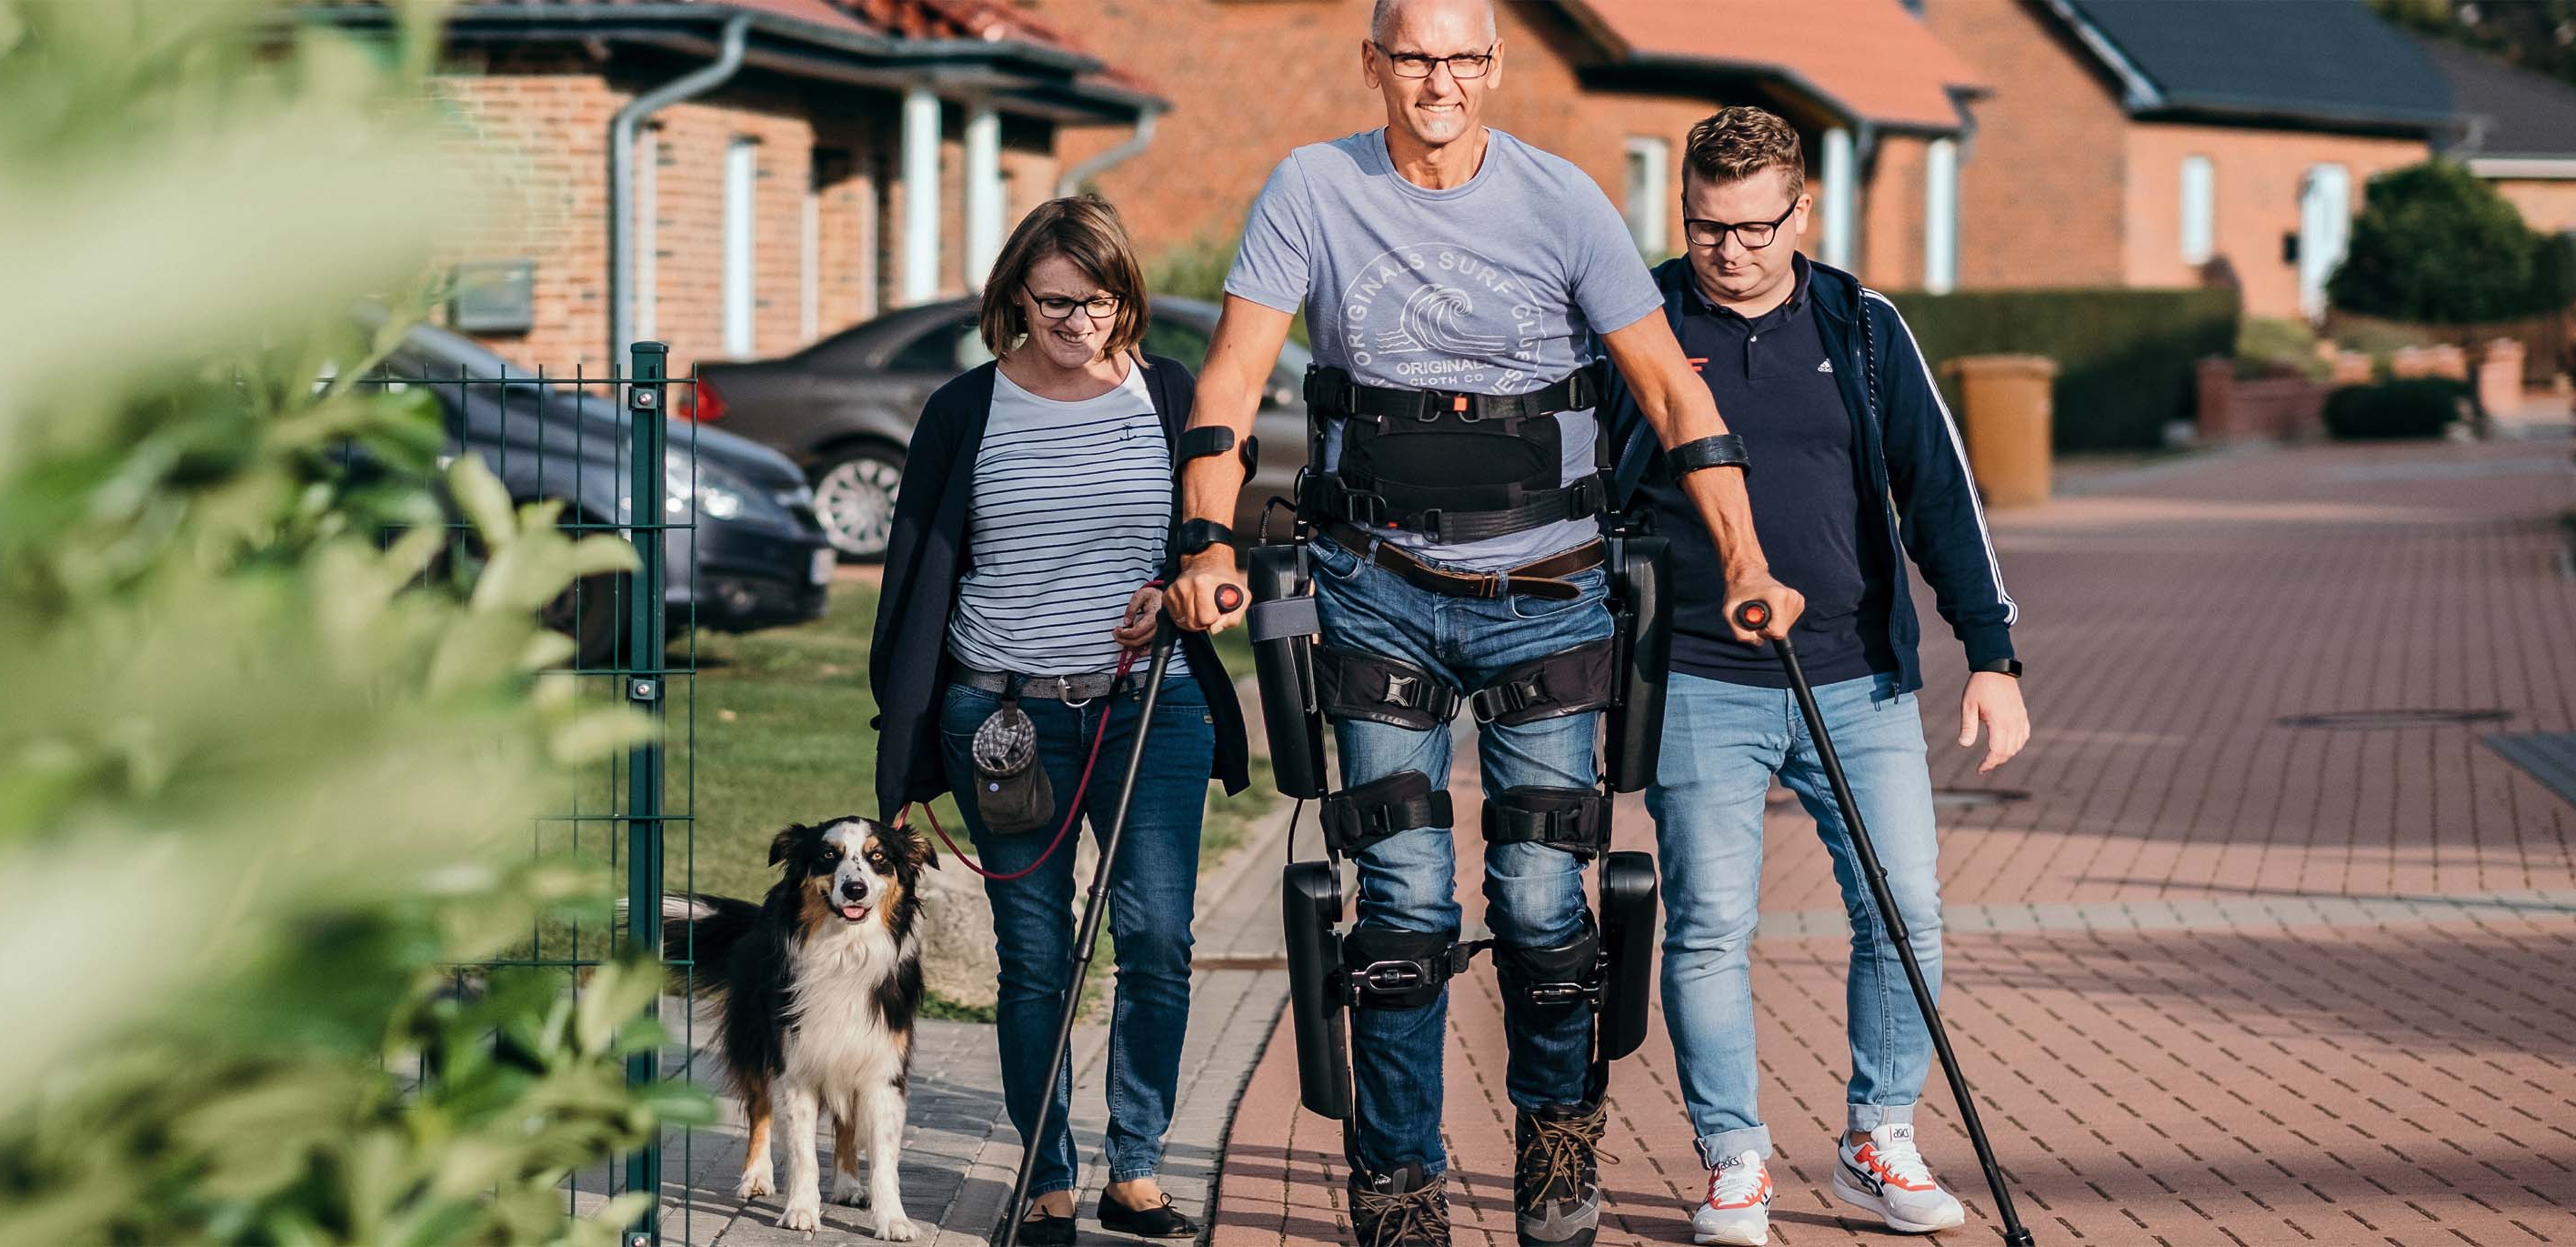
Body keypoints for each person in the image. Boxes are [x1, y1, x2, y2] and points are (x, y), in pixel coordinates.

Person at [1160, 3, 1806, 1243]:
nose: (1438, 81)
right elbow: (1231, 379)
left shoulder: (1563, 201)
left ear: (1496, 66)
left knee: (1540, 896)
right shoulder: (1312, 185)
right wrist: (1203, 533)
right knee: (1399, 904)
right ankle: (1399, 1179)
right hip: (1375, 586)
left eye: (1463, 57)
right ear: (1374, 65)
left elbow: (1672, 387)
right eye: (1414, 56)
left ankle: (1557, 1134)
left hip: (1548, 589)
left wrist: (1746, 557)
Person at [1631, 107, 2030, 1246]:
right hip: (1703, 676)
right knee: (1709, 927)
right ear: (1687, 212)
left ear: (1802, 211)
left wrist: (1990, 655)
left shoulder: (1861, 326)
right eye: (1710, 227)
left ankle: (1878, 1137)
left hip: (1857, 675)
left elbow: (1942, 497)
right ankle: (1733, 1160)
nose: (1733, 252)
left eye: (1757, 228)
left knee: (1906, 912)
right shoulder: (1644, 320)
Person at [866, 196, 1252, 1245]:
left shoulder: (1168, 395)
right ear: (1014, 303)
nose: (1083, 325)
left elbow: (1218, 543)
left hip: (1147, 707)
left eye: (1105, 302)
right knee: (1036, 955)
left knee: (1157, 938)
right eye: (1057, 305)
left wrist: (1182, 583)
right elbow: (914, 576)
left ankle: (1137, 1170)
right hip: (1004, 720)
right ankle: (1045, 1174)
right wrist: (901, 734)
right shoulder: (966, 410)